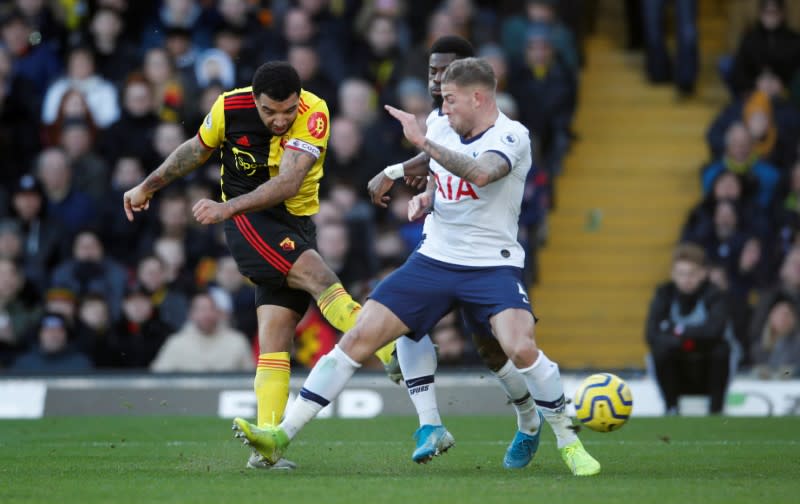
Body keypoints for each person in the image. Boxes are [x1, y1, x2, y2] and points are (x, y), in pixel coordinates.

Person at [233, 57, 601, 477]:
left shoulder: (513, 136)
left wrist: (421, 142)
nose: (443, 110)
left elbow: (481, 173)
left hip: (491, 265)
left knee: (518, 348)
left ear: (477, 97)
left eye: (450, 100)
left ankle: (566, 440)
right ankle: (281, 435)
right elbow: (436, 164)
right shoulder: (443, 126)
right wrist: (405, 179)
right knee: (359, 337)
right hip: (435, 259)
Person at [123, 61, 395, 470]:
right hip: (250, 221)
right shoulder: (228, 109)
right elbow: (196, 150)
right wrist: (148, 185)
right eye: (271, 112)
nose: (281, 119)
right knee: (321, 279)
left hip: (293, 223)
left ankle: (267, 446)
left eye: (288, 110)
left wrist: (223, 207)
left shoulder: (314, 113)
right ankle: (391, 348)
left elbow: (288, 183)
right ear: (254, 100)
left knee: (276, 335)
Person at [369, 35, 577, 470]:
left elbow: (475, 166)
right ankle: (428, 418)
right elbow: (440, 165)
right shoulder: (438, 120)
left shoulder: (501, 127)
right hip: (441, 249)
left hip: (490, 253)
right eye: (431, 72)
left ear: (469, 81)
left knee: (494, 350)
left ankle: (529, 419)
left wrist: (404, 164)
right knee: (408, 324)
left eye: (443, 73)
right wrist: (426, 194)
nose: (434, 79)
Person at [645, 243, 733, 415]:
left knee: (721, 350)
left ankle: (716, 409)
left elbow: (714, 332)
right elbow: (651, 335)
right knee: (660, 351)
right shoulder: (664, 294)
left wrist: (676, 330)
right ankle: (671, 407)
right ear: (673, 274)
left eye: (692, 274)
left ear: (703, 273)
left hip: (708, 368)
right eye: (681, 274)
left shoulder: (714, 294)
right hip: (677, 368)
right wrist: (691, 337)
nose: (686, 279)